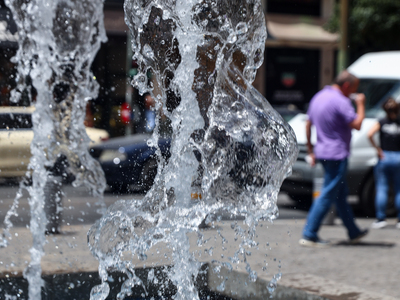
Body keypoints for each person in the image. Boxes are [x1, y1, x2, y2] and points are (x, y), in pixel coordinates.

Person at [299, 70, 369, 247]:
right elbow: (358, 124)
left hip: (322, 152)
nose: (354, 92)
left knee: (339, 195)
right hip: (337, 154)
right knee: (328, 193)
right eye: (354, 88)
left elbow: (308, 125)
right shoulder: (342, 101)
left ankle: (353, 232)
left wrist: (310, 150)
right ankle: (309, 233)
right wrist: (361, 104)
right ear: (346, 85)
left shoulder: (319, 96)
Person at [367, 98, 400, 229]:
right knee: (398, 190)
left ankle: (381, 218)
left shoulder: (382, 121)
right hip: (398, 156)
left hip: (385, 156)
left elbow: (369, 134)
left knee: (382, 188)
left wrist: (377, 149)